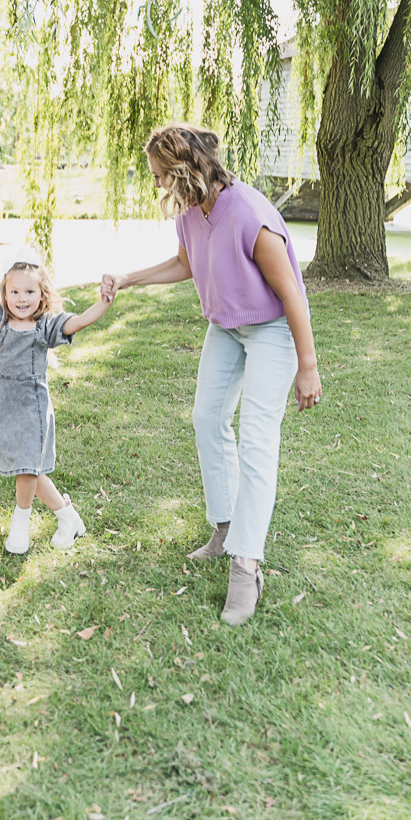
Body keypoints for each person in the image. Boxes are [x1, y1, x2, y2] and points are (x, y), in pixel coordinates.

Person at [101, 123, 321, 626]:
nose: (157, 185)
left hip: (272, 331)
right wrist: (129, 279)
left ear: (186, 171)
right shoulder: (190, 211)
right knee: (207, 419)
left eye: (161, 176)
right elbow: (186, 262)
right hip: (226, 327)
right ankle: (225, 528)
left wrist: (307, 367)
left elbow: (292, 293)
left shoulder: (248, 214)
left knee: (259, 437)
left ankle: (247, 565)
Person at [0, 247, 110, 555]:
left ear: (42, 294)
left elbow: (78, 322)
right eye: (14, 291)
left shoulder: (44, 326)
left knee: (26, 468)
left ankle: (20, 525)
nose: (21, 299)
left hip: (31, 408)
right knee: (29, 469)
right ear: (5, 292)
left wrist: (103, 302)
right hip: (2, 407)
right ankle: (68, 518)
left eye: (29, 291)